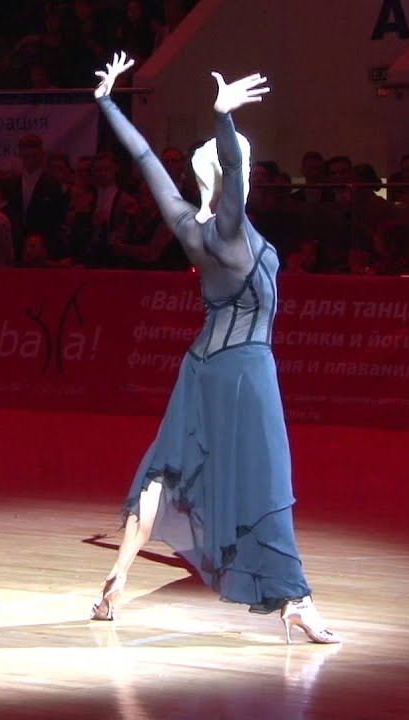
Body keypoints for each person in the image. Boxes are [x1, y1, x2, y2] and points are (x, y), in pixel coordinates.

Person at [89, 53, 339, 644]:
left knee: (164, 468)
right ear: (233, 176)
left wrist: (106, 103)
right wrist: (224, 119)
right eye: (243, 166)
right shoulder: (228, 231)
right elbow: (230, 166)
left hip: (199, 366)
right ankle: (296, 600)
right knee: (269, 484)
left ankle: (116, 578)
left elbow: (146, 161)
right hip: (246, 369)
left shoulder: (189, 228)